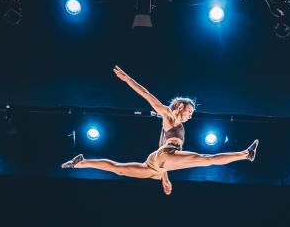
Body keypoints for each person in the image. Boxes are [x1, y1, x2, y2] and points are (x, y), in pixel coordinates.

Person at [61, 66, 259, 195]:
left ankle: (81, 163)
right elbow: (147, 94)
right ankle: (246, 153)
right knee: (207, 159)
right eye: (189, 111)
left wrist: (164, 177)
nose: (190, 116)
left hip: (157, 163)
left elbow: (160, 147)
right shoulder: (169, 115)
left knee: (118, 169)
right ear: (179, 106)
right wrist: (127, 78)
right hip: (164, 156)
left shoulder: (174, 126)